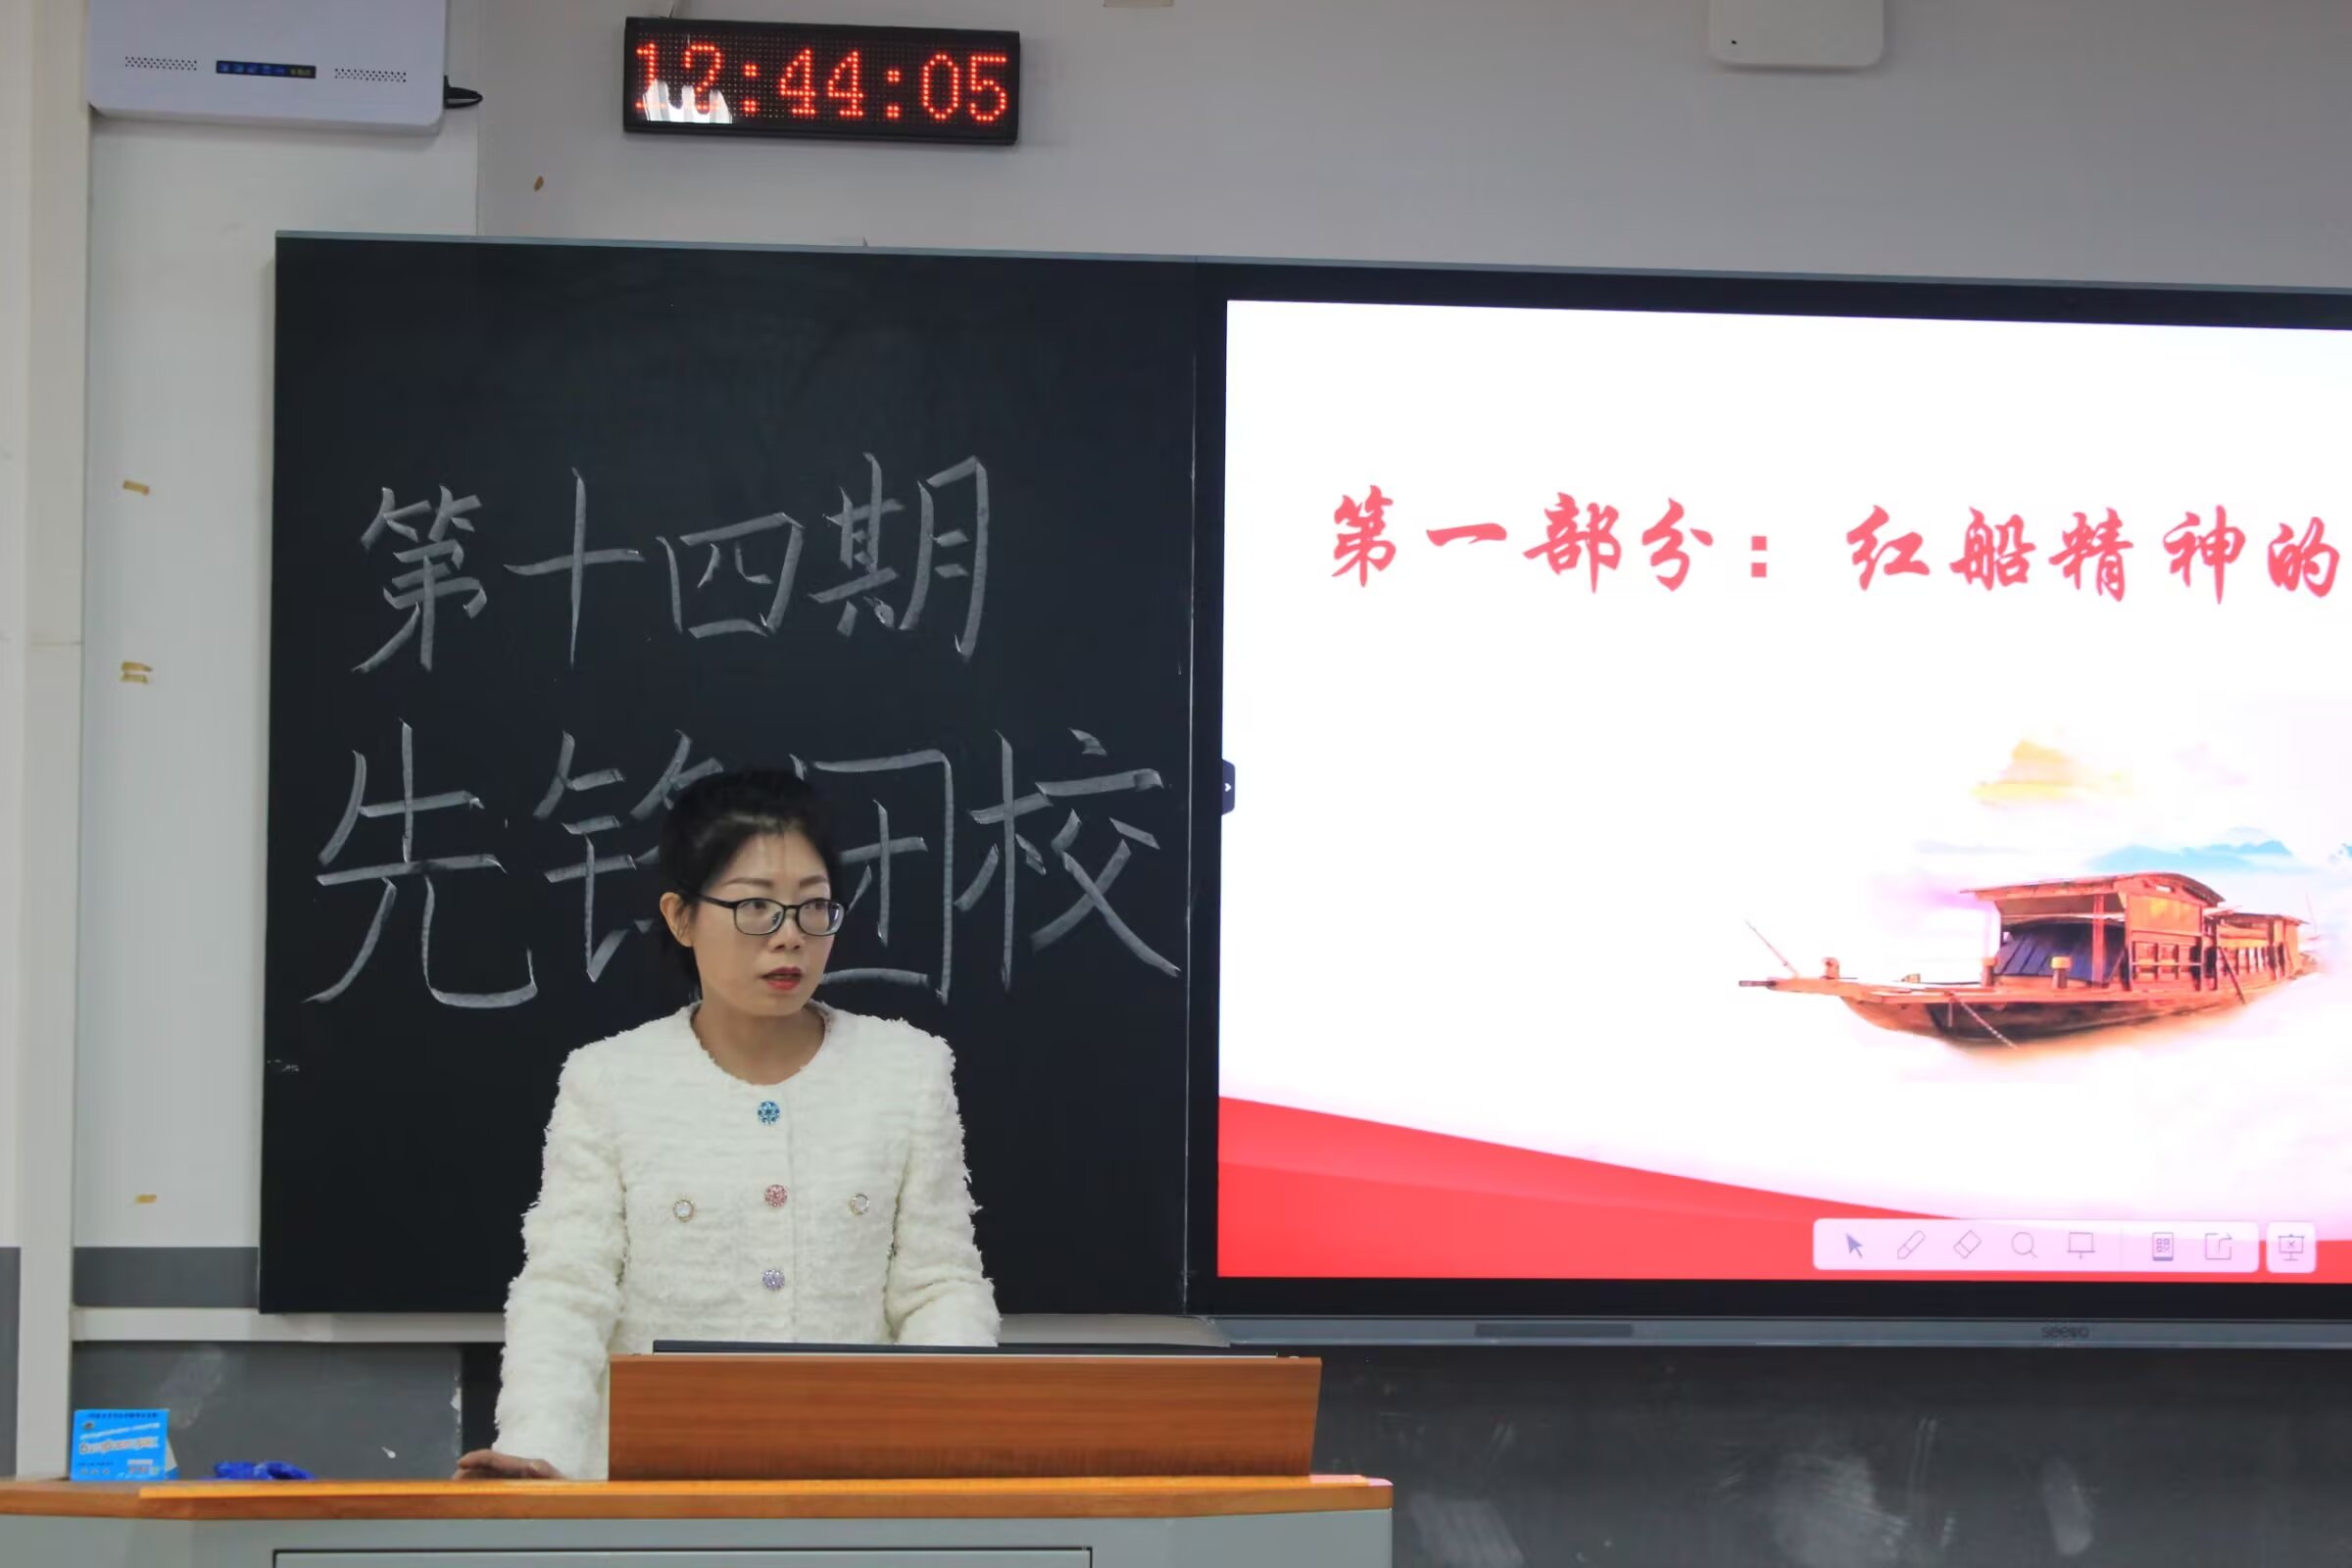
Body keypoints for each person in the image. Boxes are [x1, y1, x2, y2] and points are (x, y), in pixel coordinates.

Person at [456, 768, 999, 1480]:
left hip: (852, 1486)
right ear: (681, 917)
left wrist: (953, 1450)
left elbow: (939, 1286)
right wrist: (538, 1447)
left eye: (813, 907)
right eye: (754, 907)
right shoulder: (609, 1080)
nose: (789, 938)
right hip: (650, 1491)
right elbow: (567, 1291)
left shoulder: (907, 1070)